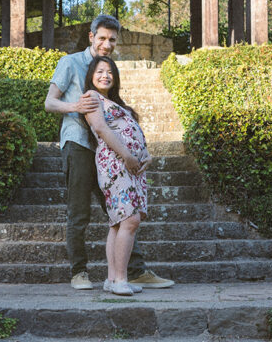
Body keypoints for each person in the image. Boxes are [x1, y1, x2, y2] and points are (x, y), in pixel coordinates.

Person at [44, 15, 174, 291]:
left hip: (109, 153)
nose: (107, 44)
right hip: (79, 144)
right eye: (102, 38)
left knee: (122, 212)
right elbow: (50, 103)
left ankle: (133, 271)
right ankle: (79, 272)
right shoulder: (70, 63)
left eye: (112, 39)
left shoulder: (107, 70)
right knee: (79, 212)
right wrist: (76, 108)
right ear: (91, 36)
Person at [84, 55, 149, 296]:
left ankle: (113, 279)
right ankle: (121, 278)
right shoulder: (92, 97)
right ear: (91, 75)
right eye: (100, 71)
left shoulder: (116, 103)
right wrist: (127, 157)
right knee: (130, 220)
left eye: (110, 71)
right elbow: (100, 128)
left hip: (132, 166)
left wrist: (146, 156)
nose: (105, 75)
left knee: (118, 222)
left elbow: (133, 132)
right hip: (116, 164)